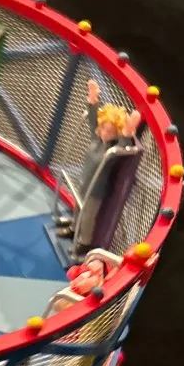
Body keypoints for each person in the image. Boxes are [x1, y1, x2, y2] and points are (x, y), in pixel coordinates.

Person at [60, 80, 141, 259]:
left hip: (96, 190)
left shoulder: (113, 150)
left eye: (111, 131)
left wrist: (129, 128)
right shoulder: (96, 140)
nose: (105, 133)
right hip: (84, 182)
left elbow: (124, 143)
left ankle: (84, 242)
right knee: (78, 207)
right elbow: (92, 119)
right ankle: (73, 228)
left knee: (88, 216)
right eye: (104, 128)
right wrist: (92, 98)